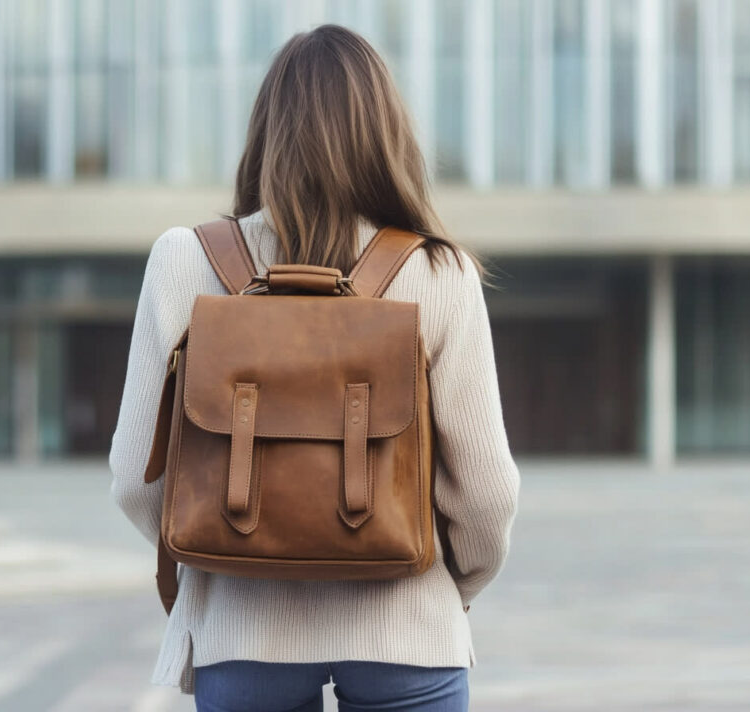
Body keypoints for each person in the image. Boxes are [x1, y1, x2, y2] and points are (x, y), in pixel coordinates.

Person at [110, 24, 520, 712]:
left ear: (267, 131)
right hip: (407, 633)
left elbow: (135, 477)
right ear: (386, 135)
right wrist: (453, 590)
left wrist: (222, 553)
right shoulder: (439, 272)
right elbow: (486, 496)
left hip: (244, 638)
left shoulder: (186, 260)